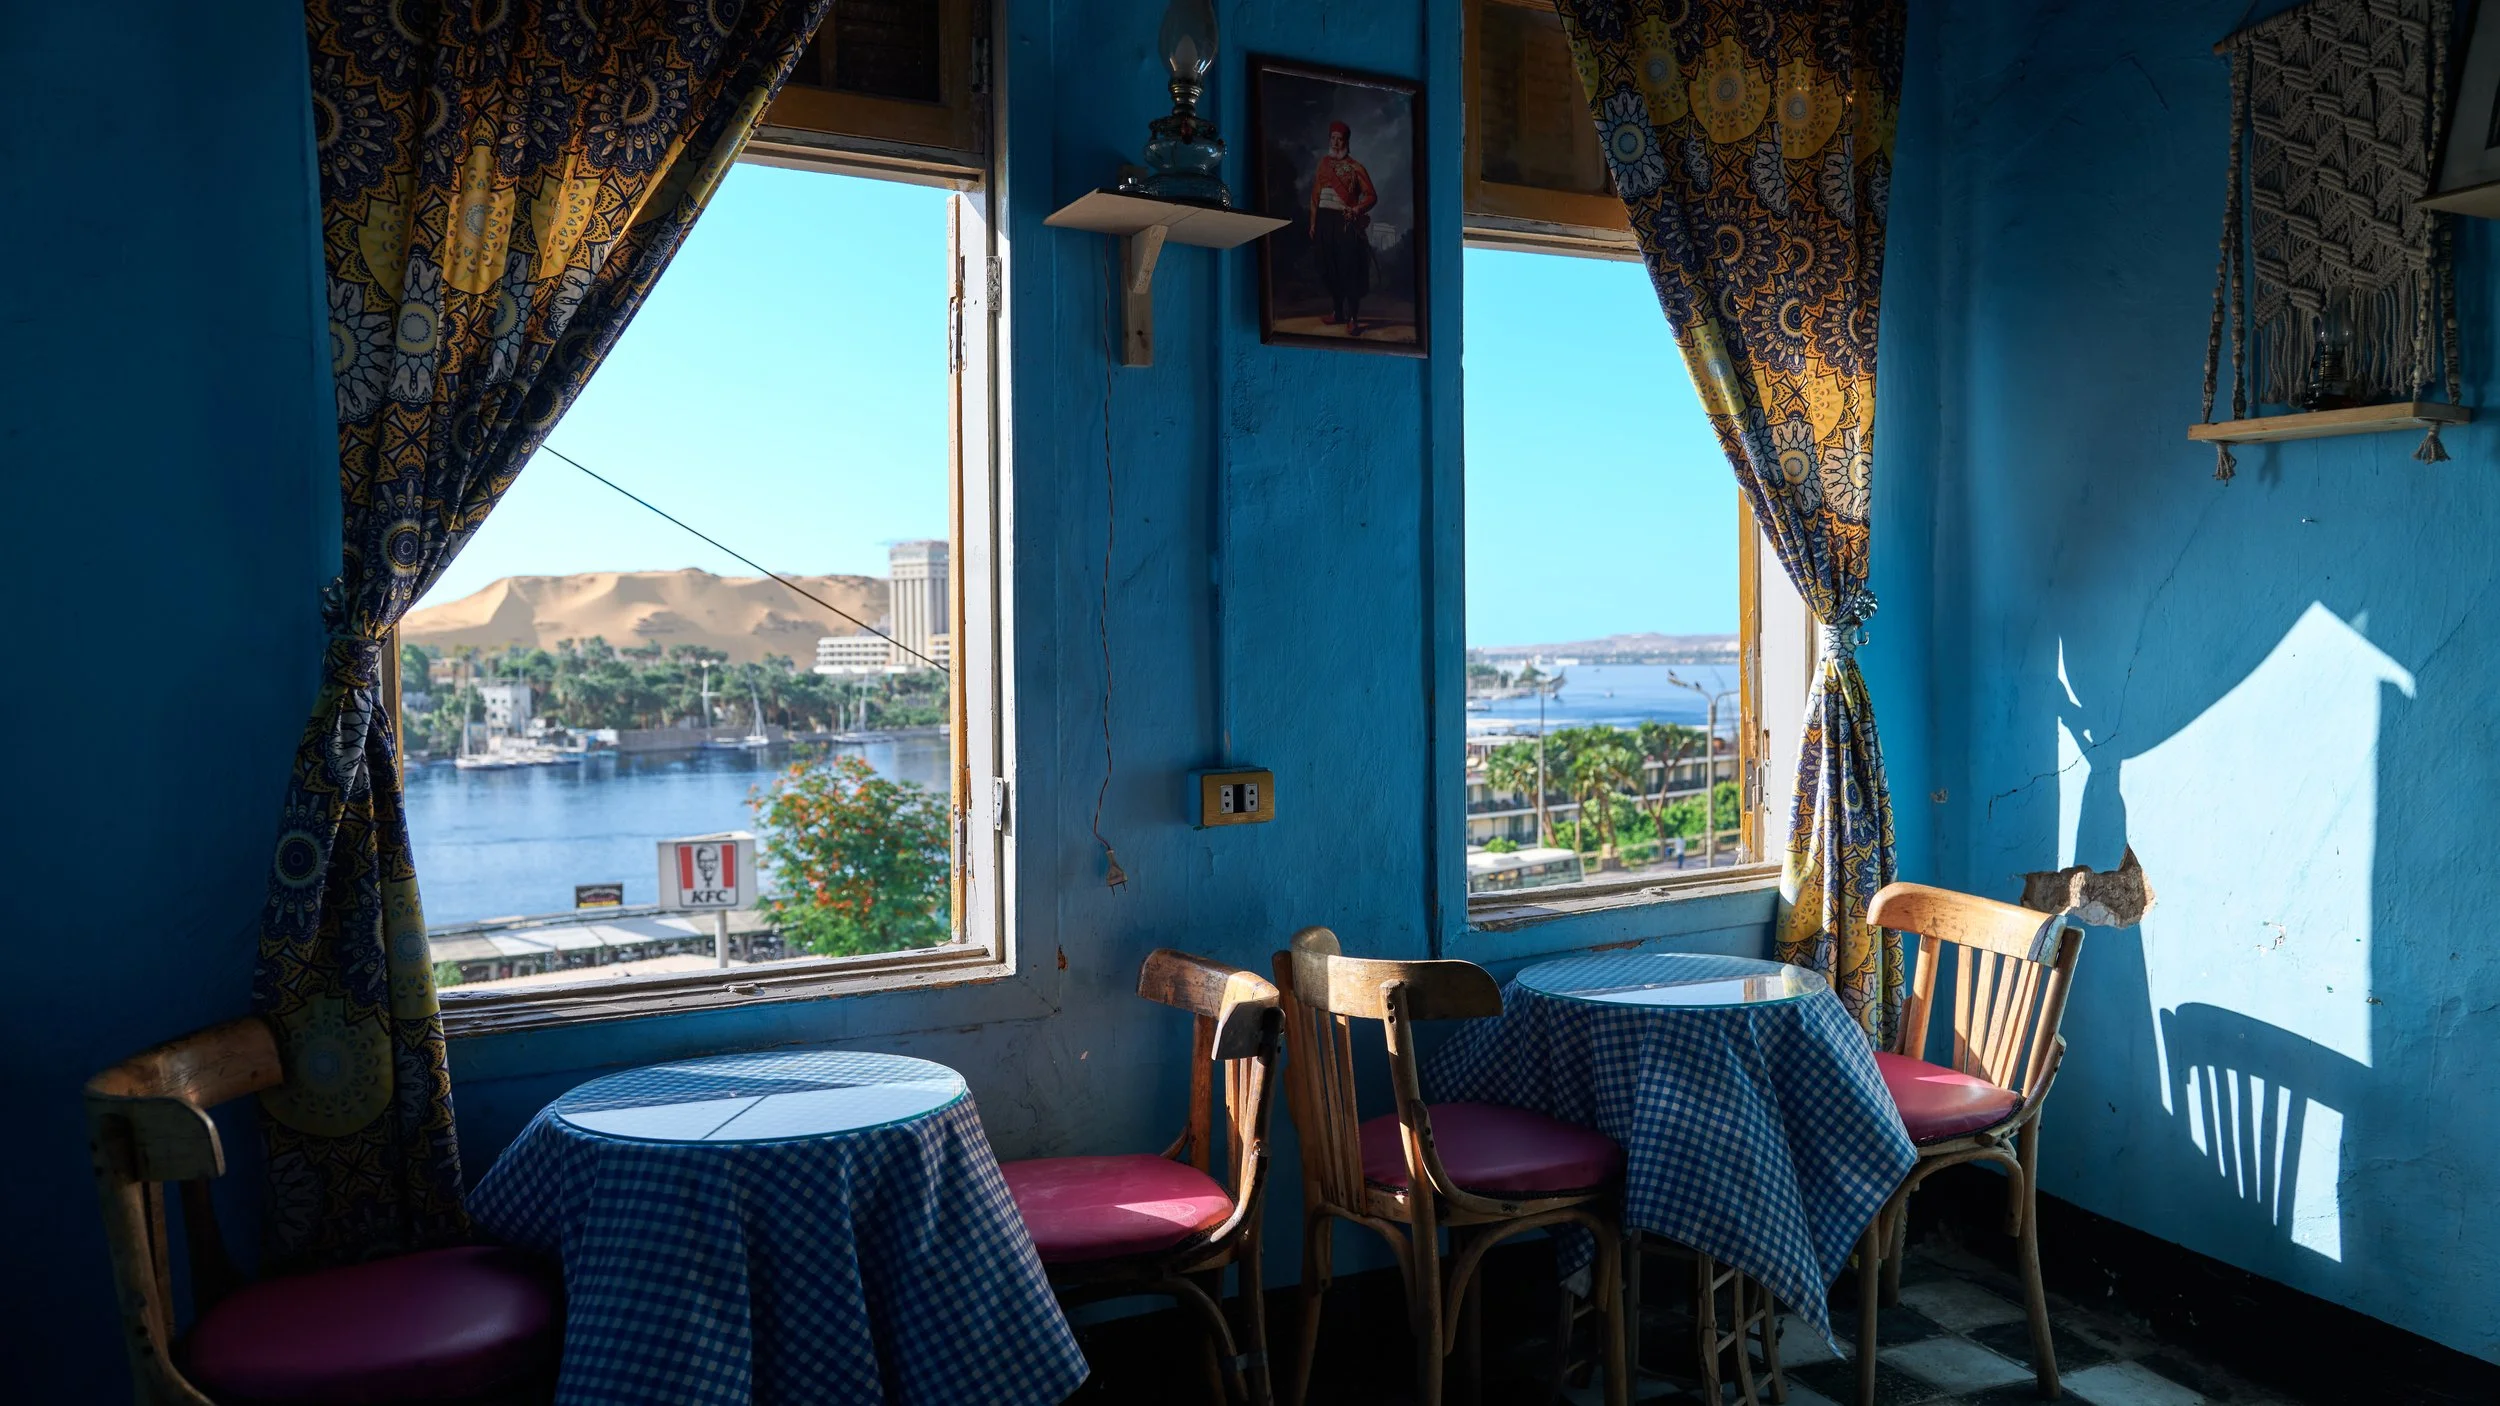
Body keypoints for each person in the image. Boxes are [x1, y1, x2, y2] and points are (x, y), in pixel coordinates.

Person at [1306, 120, 1378, 333]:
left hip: (1345, 223)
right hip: (1324, 223)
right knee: (1329, 267)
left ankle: (1353, 317)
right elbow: (1314, 197)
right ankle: (1338, 312)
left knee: (1349, 269)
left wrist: (1356, 210)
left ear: (1346, 141)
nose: (1336, 143)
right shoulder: (1323, 165)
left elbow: (1372, 196)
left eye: (1340, 139)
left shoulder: (1356, 168)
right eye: (1333, 139)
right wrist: (1312, 223)